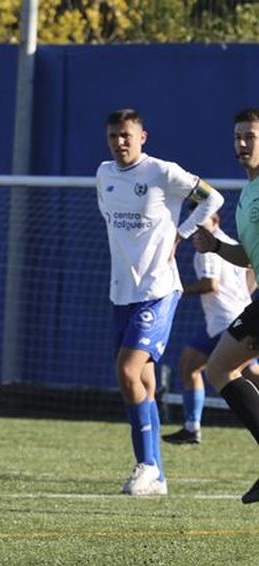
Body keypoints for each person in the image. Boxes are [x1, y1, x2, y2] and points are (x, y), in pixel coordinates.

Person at [96, 108, 222, 496]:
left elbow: (211, 198)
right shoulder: (104, 175)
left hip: (159, 290)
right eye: (114, 135)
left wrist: (181, 234)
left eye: (127, 135)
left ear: (142, 137)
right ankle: (158, 477)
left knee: (128, 372)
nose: (120, 142)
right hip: (122, 294)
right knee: (144, 382)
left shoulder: (163, 173)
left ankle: (146, 464)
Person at [194, 107, 259, 504]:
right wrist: (217, 247)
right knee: (220, 367)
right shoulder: (247, 193)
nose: (241, 144)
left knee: (220, 367)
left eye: (250, 136)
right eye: (237, 137)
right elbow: (251, 257)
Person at [165, 210, 258, 445]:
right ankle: (191, 426)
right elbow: (251, 270)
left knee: (237, 371)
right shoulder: (232, 242)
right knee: (192, 364)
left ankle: (192, 426)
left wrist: (177, 290)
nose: (197, 221)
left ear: (216, 219)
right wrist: (243, 296)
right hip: (231, 314)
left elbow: (211, 284)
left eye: (204, 216)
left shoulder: (208, 247)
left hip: (224, 317)